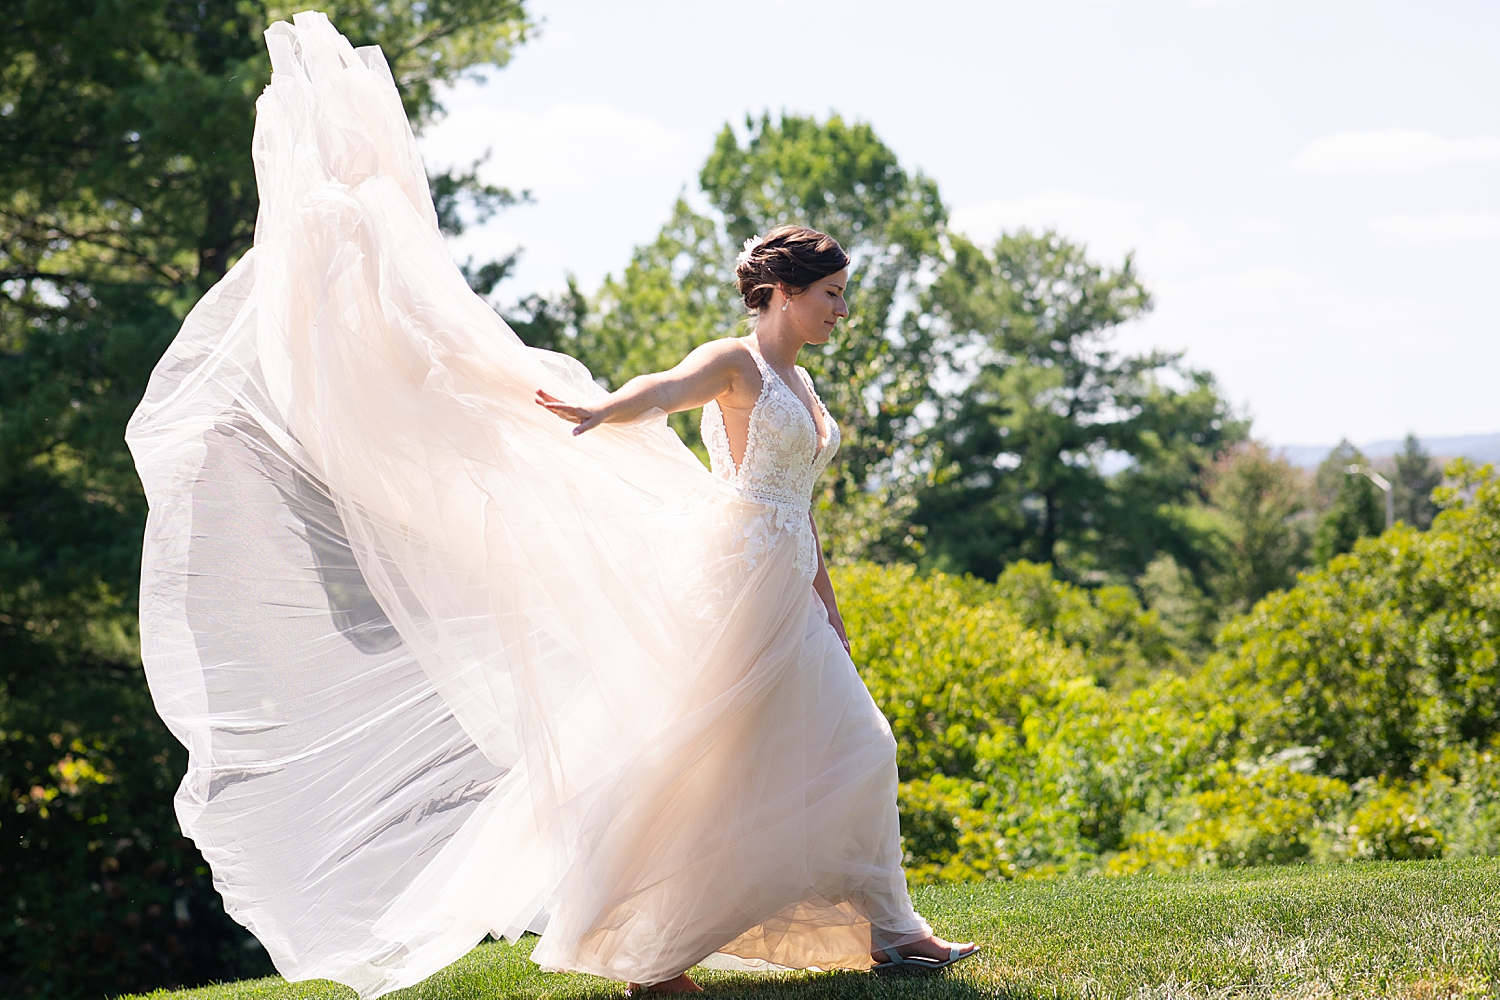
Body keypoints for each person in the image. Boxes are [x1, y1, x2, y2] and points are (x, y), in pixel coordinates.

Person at [125, 12, 975, 999]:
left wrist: (826, 589)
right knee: (720, 762)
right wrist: (599, 408)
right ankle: (656, 952)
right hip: (737, 580)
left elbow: (801, 502)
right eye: (830, 293)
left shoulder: (809, 390)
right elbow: (660, 390)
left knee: (847, 745)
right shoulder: (736, 362)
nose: (841, 310)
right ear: (781, 293)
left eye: (841, 295)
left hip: (789, 580)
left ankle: (884, 928)